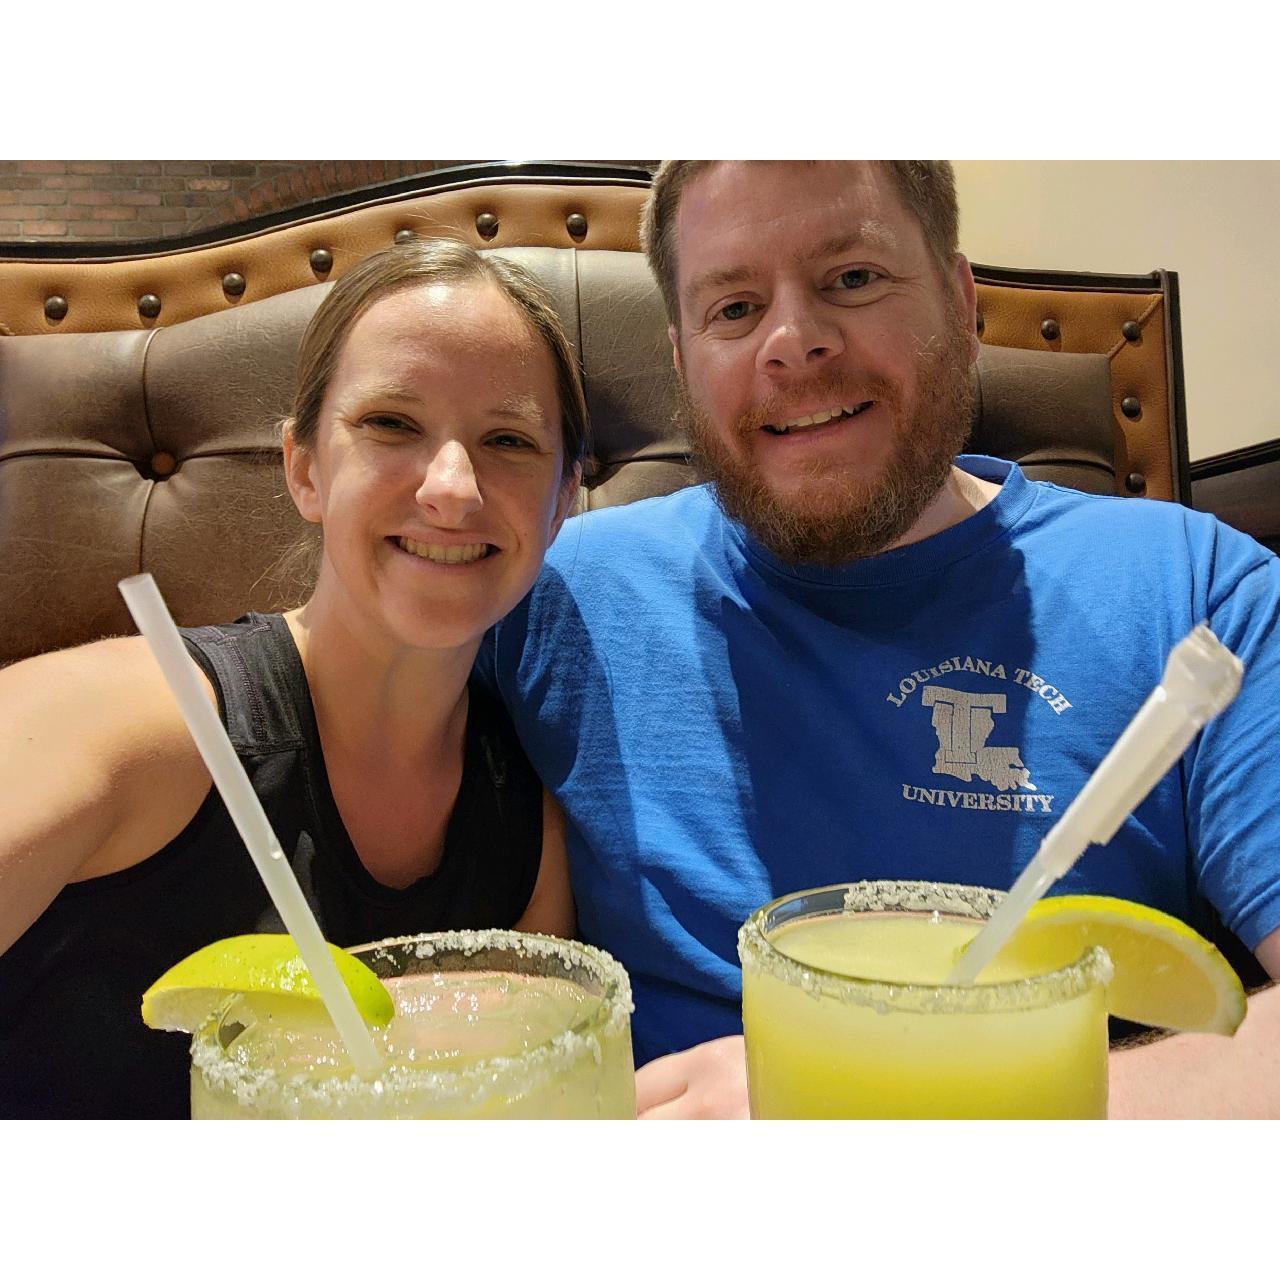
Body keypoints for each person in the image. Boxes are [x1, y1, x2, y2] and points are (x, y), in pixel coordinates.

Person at [482, 161, 1280, 1118]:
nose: (795, 343)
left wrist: (856, 1109)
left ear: (960, 300)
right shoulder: (550, 592)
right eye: (733, 308)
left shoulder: (1197, 594)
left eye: (852, 279)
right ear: (683, 357)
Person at [0, 239, 585, 1118]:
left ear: (564, 500)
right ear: (305, 468)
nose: (453, 488)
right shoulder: (137, 718)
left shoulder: (525, 832)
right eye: (392, 423)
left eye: (509, 439)